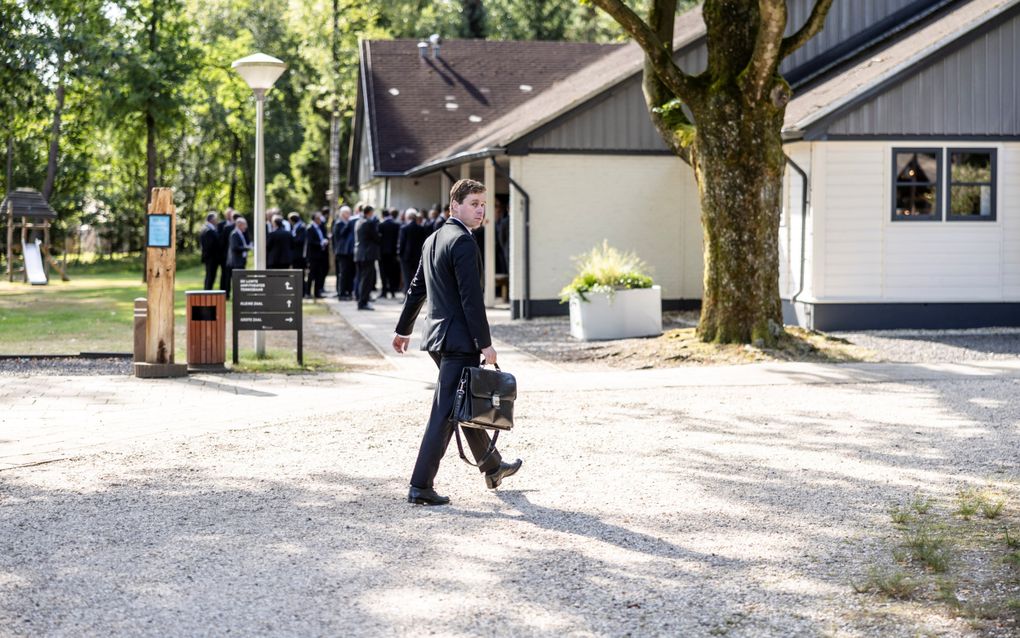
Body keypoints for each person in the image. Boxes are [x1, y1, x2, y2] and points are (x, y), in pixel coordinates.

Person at [393, 179, 522, 506]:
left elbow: (416, 288)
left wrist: (404, 329)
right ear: (455, 206)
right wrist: (485, 343)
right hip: (459, 342)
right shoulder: (463, 241)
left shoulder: (433, 239)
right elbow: (471, 299)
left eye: (483, 204)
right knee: (445, 412)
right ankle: (420, 485)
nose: (480, 210)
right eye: (474, 204)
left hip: (437, 339)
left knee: (459, 403)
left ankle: (492, 466)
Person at [354, 205, 380, 310]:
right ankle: (363, 302)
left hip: (360, 254)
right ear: (369, 212)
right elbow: (376, 237)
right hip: (368, 254)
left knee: (362, 278)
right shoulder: (369, 223)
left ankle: (361, 300)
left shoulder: (358, 222)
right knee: (366, 280)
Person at [397, 208, 428, 292]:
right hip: (418, 256)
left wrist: (399, 254)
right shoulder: (421, 228)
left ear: (408, 217)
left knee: (406, 277)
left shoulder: (404, 228)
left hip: (406, 256)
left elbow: (401, 243)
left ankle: (407, 294)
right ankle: (415, 294)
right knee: (416, 276)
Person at [224, 217, 250, 299]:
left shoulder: (240, 233)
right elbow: (234, 247)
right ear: (239, 225)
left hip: (240, 261)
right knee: (237, 280)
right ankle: (236, 297)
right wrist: (247, 248)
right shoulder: (234, 234)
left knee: (241, 279)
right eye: (244, 225)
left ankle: (240, 296)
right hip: (236, 262)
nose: (246, 227)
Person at [378, 208, 401, 298]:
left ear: (382, 215)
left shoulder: (381, 225)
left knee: (383, 272)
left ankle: (384, 291)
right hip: (393, 252)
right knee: (392, 272)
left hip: (382, 252)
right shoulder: (396, 225)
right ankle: (392, 291)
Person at [306, 211, 330, 298]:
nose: (321, 220)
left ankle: (317, 293)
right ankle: (308, 292)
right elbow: (310, 242)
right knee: (311, 274)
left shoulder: (320, 228)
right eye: (319, 218)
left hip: (320, 255)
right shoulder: (310, 228)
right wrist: (320, 243)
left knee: (319, 275)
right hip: (313, 256)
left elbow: (323, 237)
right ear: (315, 219)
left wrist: (325, 240)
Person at [217, 209, 236, 295]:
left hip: (234, 255)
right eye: (228, 214)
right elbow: (220, 241)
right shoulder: (221, 225)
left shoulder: (236, 225)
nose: (230, 216)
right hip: (224, 255)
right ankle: (224, 292)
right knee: (224, 275)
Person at [199, 212, 219, 290]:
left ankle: (207, 291)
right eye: (216, 219)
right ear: (212, 220)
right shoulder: (208, 230)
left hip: (209, 257)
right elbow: (209, 246)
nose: (217, 221)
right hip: (211, 258)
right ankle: (207, 292)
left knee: (209, 276)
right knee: (210, 276)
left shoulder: (205, 228)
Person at [288, 212, 308, 292]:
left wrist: (291, 239)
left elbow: (300, 240)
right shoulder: (296, 227)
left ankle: (302, 291)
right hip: (296, 255)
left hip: (299, 255)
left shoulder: (301, 227)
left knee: (300, 273)